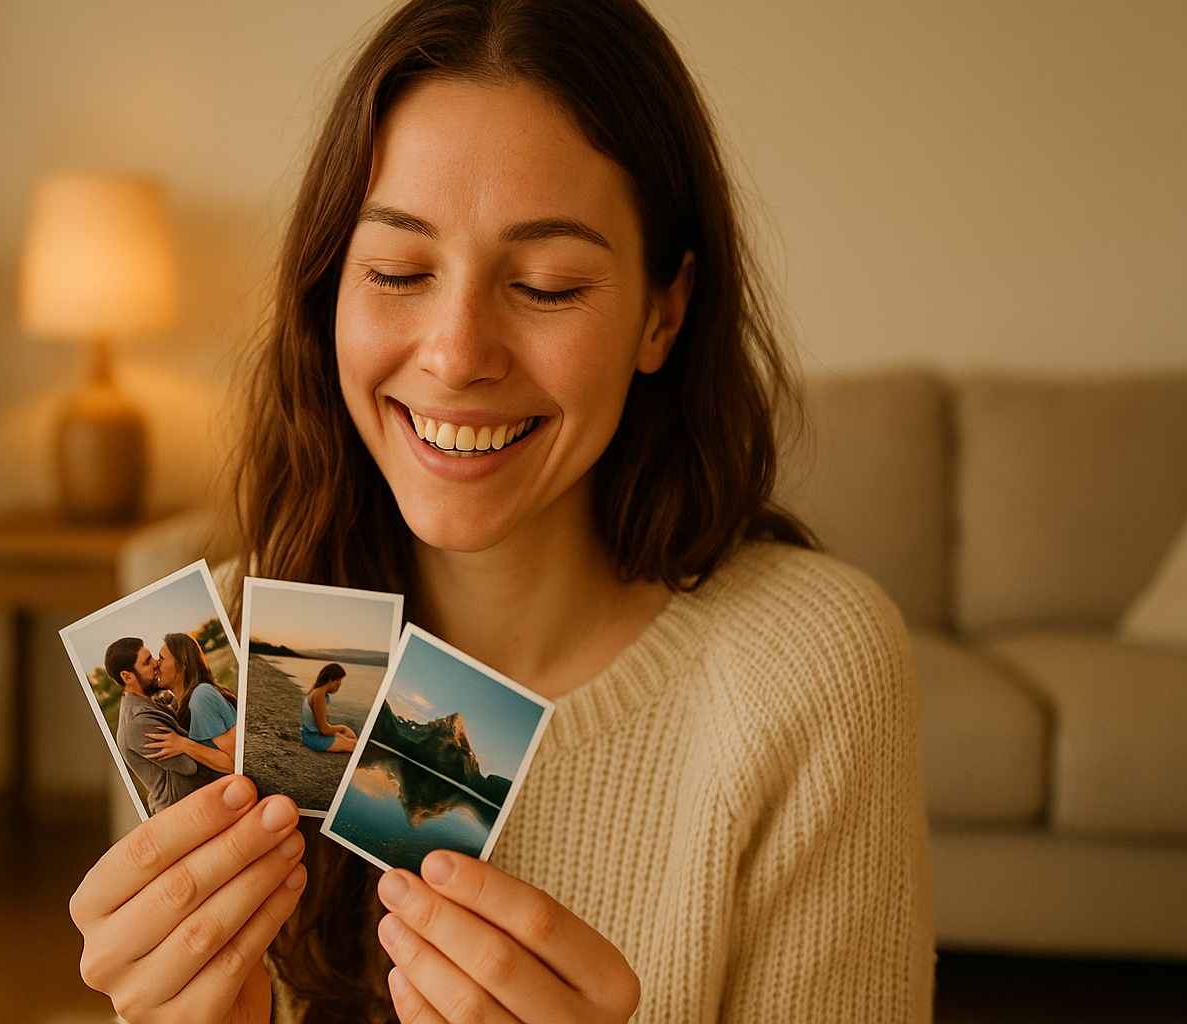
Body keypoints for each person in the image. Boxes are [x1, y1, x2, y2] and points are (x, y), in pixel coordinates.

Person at [70, 1, 934, 1021]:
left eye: (547, 284)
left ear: (664, 309)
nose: (456, 353)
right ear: (327, 290)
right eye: (397, 271)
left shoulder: (811, 672)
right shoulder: (223, 644)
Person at [104, 637, 213, 815]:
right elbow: (189, 766)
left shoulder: (151, 702)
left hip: (195, 801)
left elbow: (177, 703)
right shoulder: (138, 722)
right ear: (127, 676)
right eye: (147, 662)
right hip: (182, 812)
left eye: (152, 657)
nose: (156, 663)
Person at [144, 632, 240, 774]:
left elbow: (236, 762)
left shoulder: (201, 696)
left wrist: (184, 745)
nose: (156, 665)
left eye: (162, 659)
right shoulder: (181, 705)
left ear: (182, 665)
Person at [300, 663, 358, 753]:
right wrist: (341, 728)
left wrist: (342, 730)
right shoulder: (318, 694)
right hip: (313, 738)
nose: (339, 685)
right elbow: (324, 730)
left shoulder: (321, 693)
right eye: (338, 681)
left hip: (316, 734)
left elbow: (322, 726)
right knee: (355, 746)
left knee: (351, 737)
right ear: (330, 680)